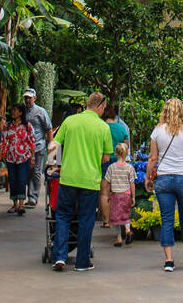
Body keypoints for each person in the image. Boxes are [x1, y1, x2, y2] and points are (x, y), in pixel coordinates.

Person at [51, 92, 113, 272]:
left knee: (63, 216)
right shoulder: (103, 128)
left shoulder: (70, 121)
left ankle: (60, 257)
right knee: (86, 220)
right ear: (100, 106)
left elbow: (54, 145)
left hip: (68, 178)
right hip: (90, 181)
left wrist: (53, 162)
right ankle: (82, 261)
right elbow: (106, 157)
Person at [145, 98, 183, 272]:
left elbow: (152, 158)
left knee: (166, 220)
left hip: (164, 179)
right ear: (182, 111)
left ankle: (169, 261)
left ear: (164, 111)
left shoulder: (157, 132)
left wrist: (148, 177)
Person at [0, 103, 36, 216]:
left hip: (24, 157)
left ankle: (21, 204)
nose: (13, 112)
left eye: (15, 110)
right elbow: (4, 142)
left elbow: (32, 143)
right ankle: (14, 204)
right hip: (11, 157)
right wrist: (0, 156)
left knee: (21, 180)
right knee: (13, 180)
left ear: (21, 112)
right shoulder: (7, 126)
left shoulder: (27, 126)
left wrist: (33, 158)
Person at [100, 102, 132, 225]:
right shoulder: (121, 128)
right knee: (118, 191)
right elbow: (126, 145)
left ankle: (106, 220)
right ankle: (118, 218)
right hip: (119, 161)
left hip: (104, 160)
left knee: (104, 192)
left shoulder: (102, 127)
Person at [23, 87, 54, 208]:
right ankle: (28, 195)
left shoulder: (41, 111)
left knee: (36, 172)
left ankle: (33, 197)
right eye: (26, 98)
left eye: (29, 98)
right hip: (25, 148)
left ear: (34, 98)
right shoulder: (23, 111)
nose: (27, 100)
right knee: (27, 172)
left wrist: (50, 146)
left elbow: (49, 128)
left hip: (38, 146)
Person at [102, 142, 137, 246]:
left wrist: (107, 194)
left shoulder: (111, 167)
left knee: (115, 217)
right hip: (126, 194)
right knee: (125, 215)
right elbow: (132, 183)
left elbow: (107, 183)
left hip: (115, 195)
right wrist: (133, 196)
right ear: (126, 154)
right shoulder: (129, 168)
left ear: (115, 153)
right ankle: (127, 230)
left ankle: (119, 238)